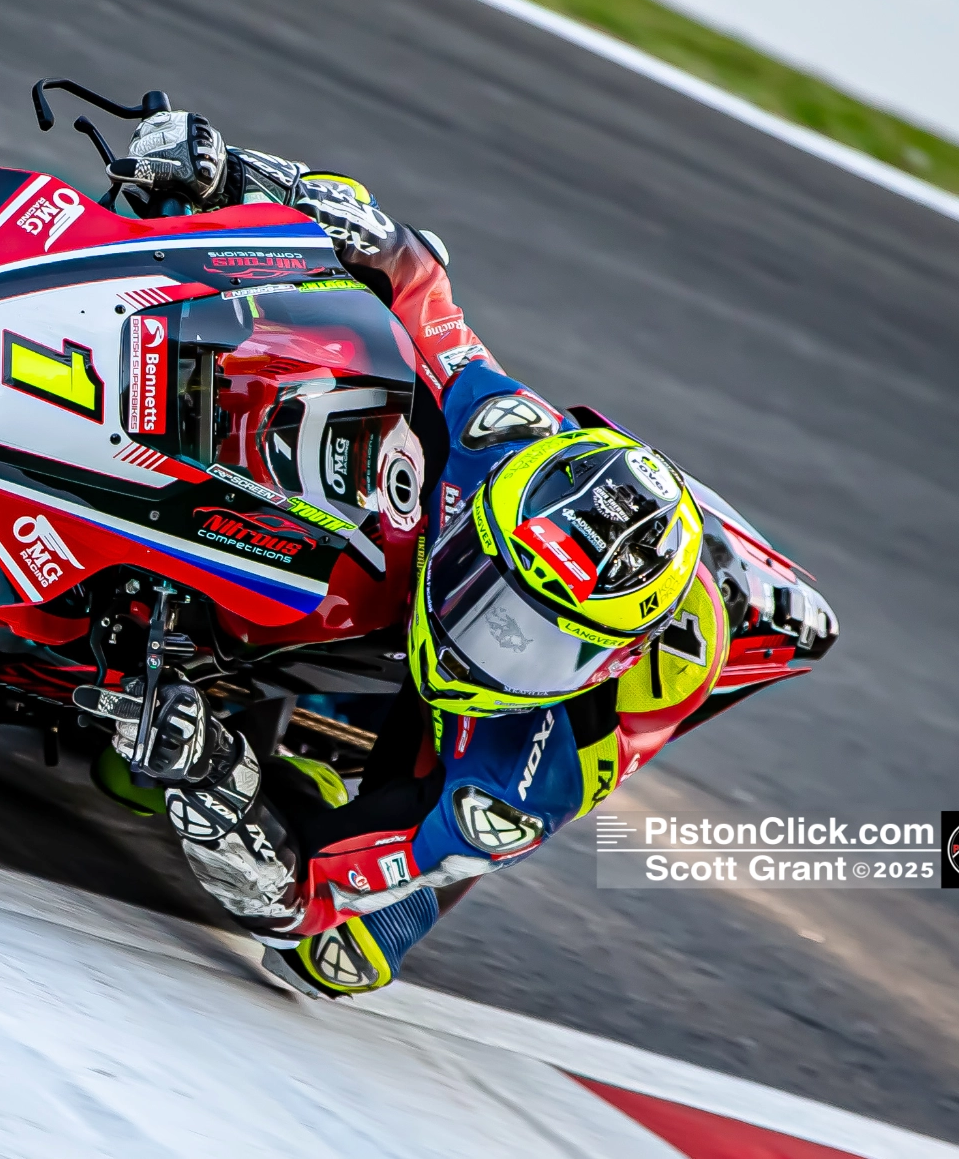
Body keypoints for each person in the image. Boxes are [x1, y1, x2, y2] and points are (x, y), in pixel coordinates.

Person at [101, 111, 755, 997]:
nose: (475, 634)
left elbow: (302, 899)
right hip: (485, 511)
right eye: (486, 587)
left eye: (522, 635)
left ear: (597, 663)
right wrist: (241, 172)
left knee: (334, 966)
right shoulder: (506, 439)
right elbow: (414, 276)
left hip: (502, 744)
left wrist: (217, 786)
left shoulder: (520, 780)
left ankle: (271, 741)